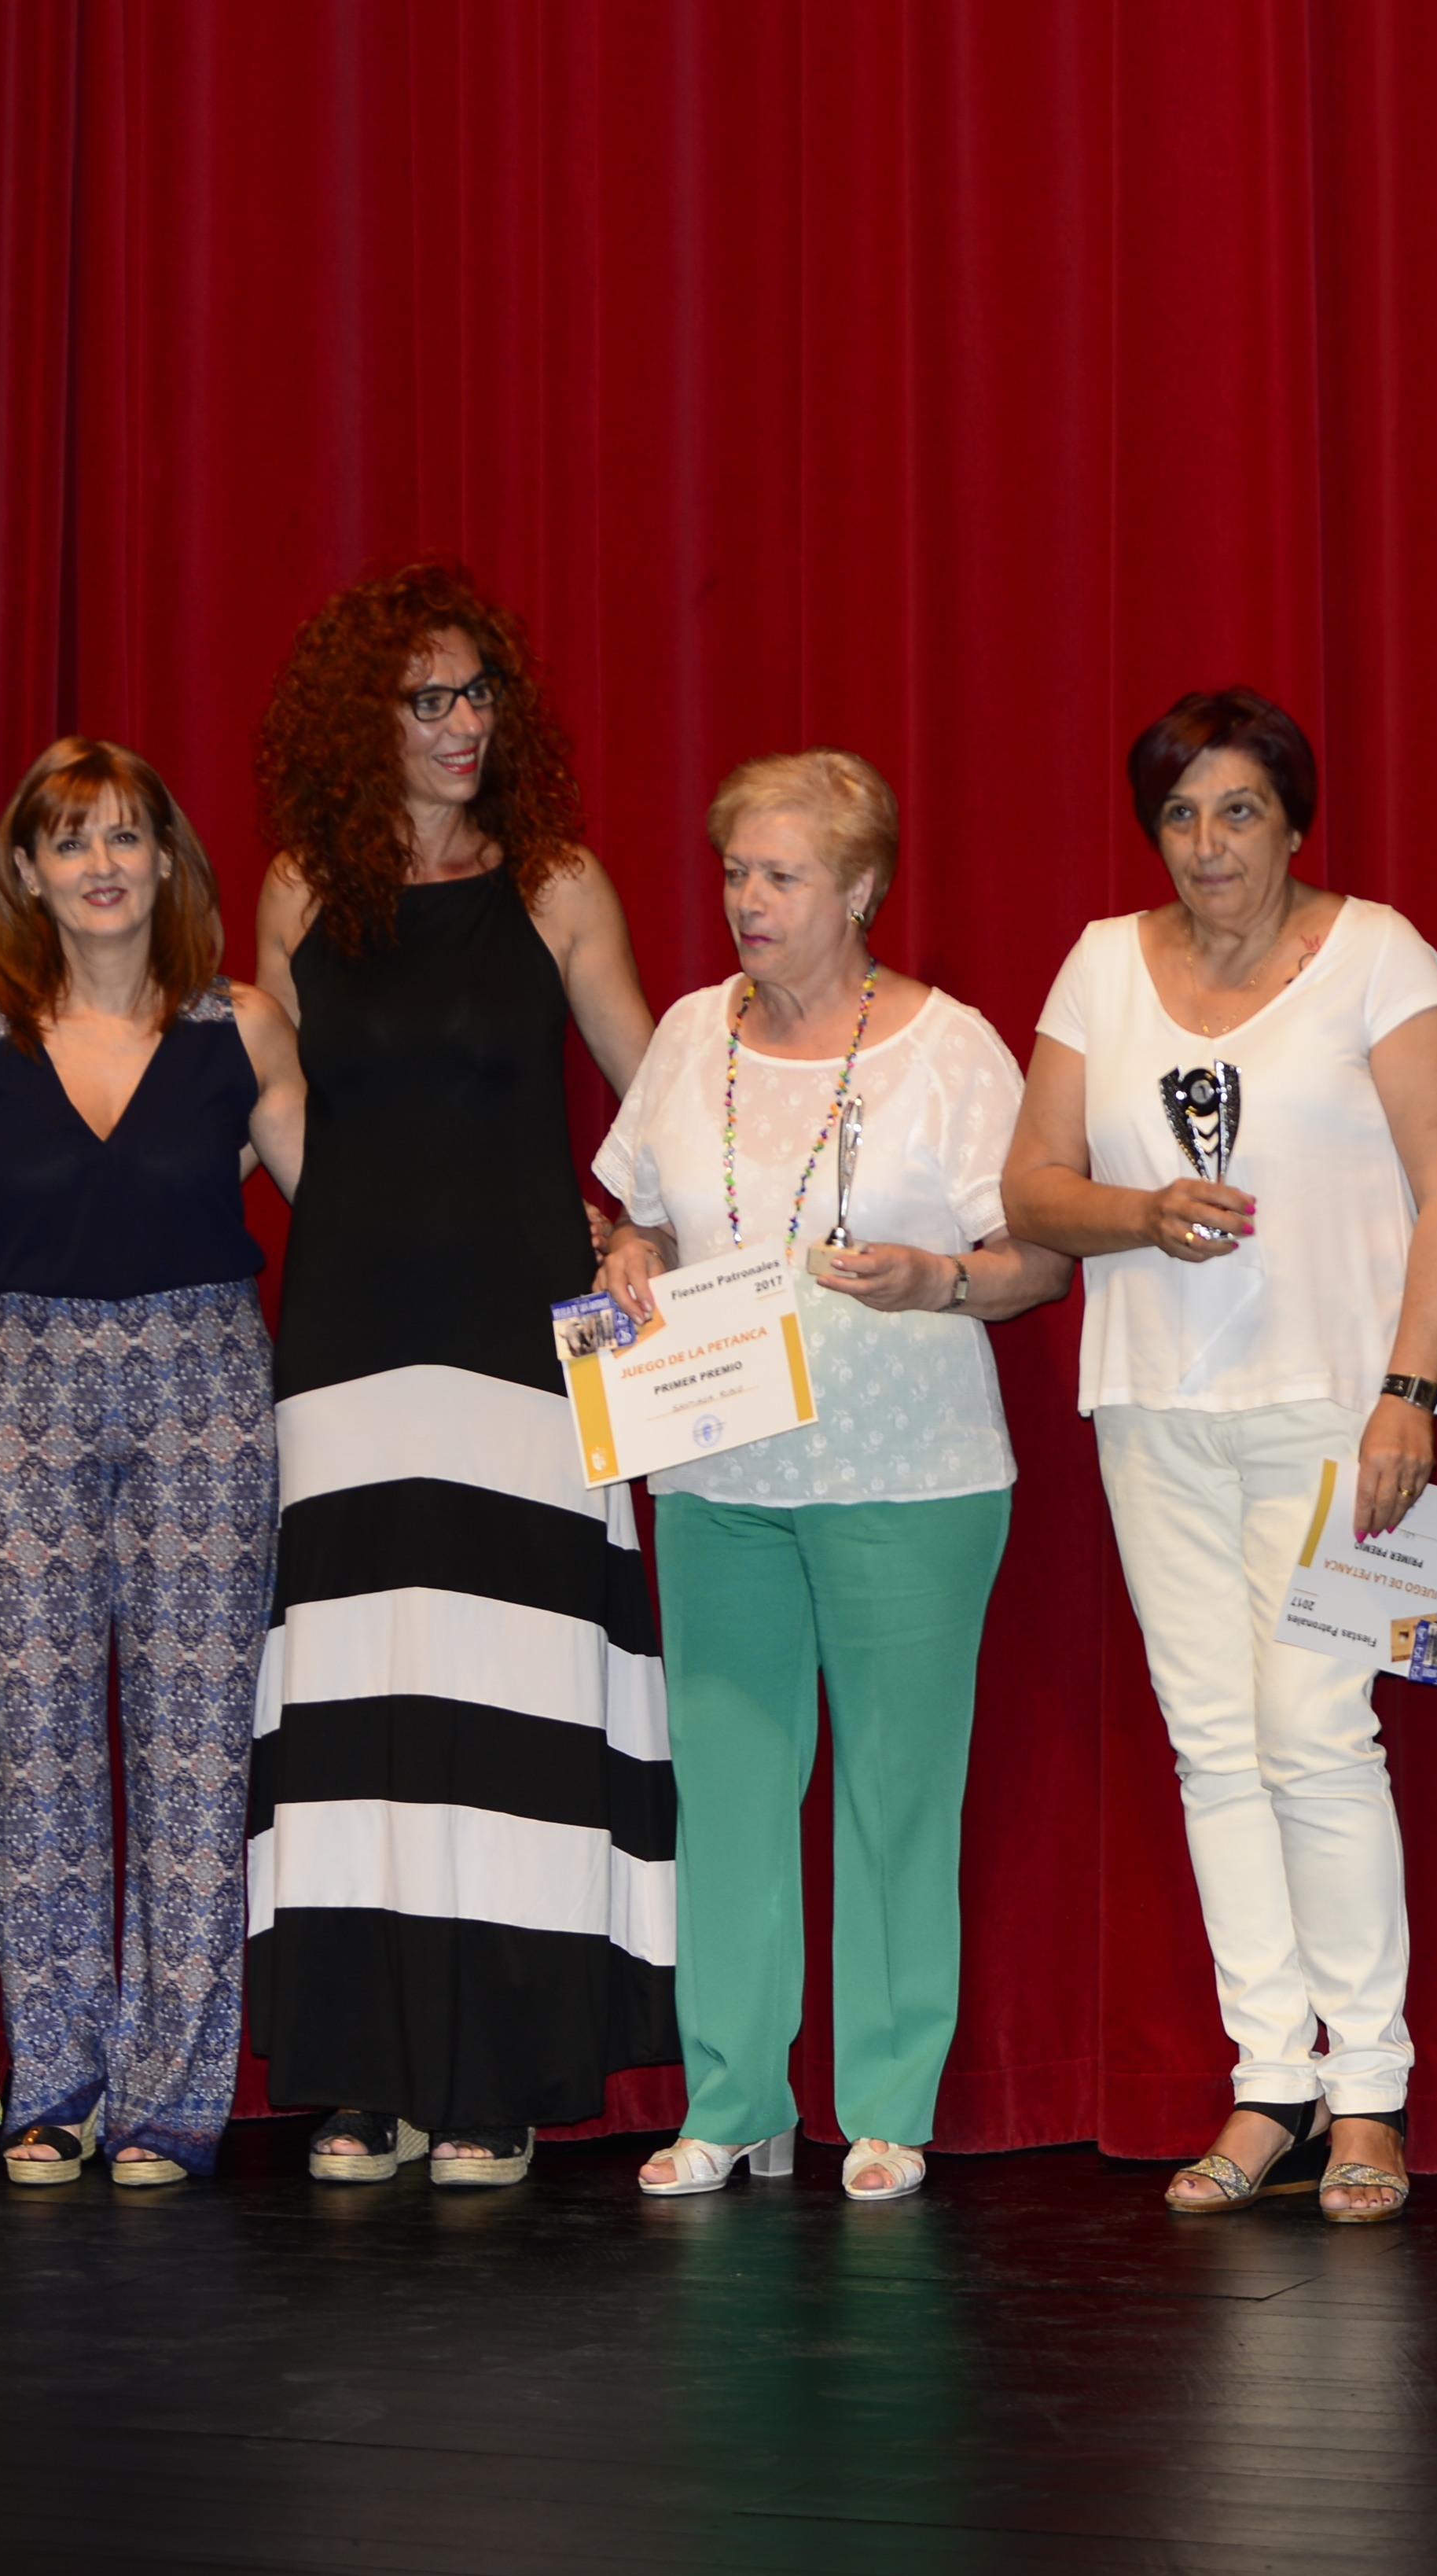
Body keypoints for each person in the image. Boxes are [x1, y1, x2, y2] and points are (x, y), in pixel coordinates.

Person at [1003, 687, 1437, 2225]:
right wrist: (1137, 1215)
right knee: (1213, 1745)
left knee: (1315, 1736)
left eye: (1239, 811)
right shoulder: (1099, 964)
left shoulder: (1378, 955)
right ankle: (1269, 2077)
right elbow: (1030, 1189)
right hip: (1154, 1407)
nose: (1209, 844)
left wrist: (1414, 1385)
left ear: (1293, 822)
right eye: (1181, 814)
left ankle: (1371, 2095)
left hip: (1341, 1413)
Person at [587, 752, 1070, 2204]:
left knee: (895, 1794)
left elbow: (1037, 1261)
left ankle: (885, 2105)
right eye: (736, 870)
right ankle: (733, 2101)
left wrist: (938, 1278)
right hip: (720, 1470)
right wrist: (624, 1256)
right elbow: (639, 1214)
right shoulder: (686, 1032)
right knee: (730, 1793)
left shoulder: (954, 1048)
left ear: (859, 889)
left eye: (781, 875)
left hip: (908, 1477)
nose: (747, 900)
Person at [242, 563, 671, 2190]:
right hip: (349, 1345)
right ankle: (360, 2074)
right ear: (369, 722)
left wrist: (645, 1233)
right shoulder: (299, 894)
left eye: (480, 694)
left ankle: (492, 2076)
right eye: (428, 699)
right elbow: (273, 1112)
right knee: (364, 1708)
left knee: (508, 1709)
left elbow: (658, 1090)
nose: (462, 726)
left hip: (518, 1346)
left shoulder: (554, 883)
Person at [0, 738, 303, 2187]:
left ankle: (171, 2098)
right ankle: (58, 2081)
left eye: (127, 836)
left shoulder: (241, 1029)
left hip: (204, 1383)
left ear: (166, 863)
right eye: (70, 841)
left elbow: (353, 1201)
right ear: (27, 870)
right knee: (38, 1752)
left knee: (197, 1755)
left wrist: (557, 1233)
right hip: (18, 1398)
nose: (101, 864)